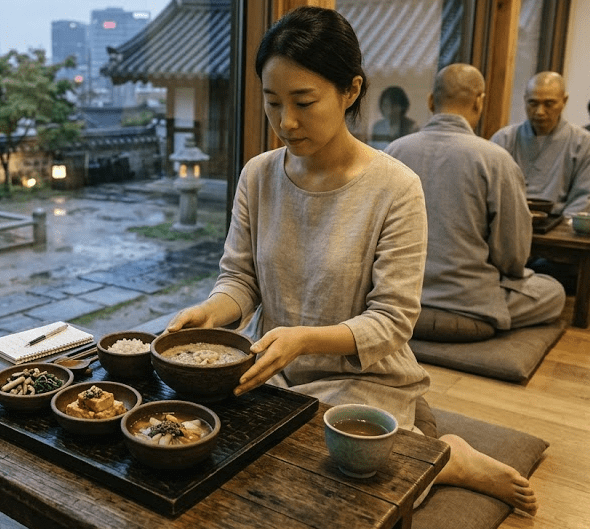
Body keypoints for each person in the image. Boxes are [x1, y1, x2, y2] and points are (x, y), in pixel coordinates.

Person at [165, 7, 537, 514]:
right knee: (212, 453)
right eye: (272, 102)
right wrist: (211, 311)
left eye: (304, 102)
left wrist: (304, 339)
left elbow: (393, 320)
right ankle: (422, 453)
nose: (286, 121)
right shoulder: (257, 175)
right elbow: (240, 279)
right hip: (273, 369)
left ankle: (447, 457)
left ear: (350, 90)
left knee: (336, 488)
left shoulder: (396, 187)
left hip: (361, 378)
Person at [385, 64, 564, 332]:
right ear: (480, 101)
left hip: (397, 299)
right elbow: (513, 257)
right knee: (553, 292)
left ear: (431, 101)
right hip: (469, 304)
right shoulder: (496, 159)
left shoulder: (393, 152)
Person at [491, 72, 590, 217]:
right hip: (508, 221)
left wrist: (562, 226)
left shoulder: (584, 143)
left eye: (549, 104)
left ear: (564, 101)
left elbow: (585, 197)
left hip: (558, 223)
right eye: (533, 103)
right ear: (525, 100)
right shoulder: (504, 139)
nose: (539, 112)